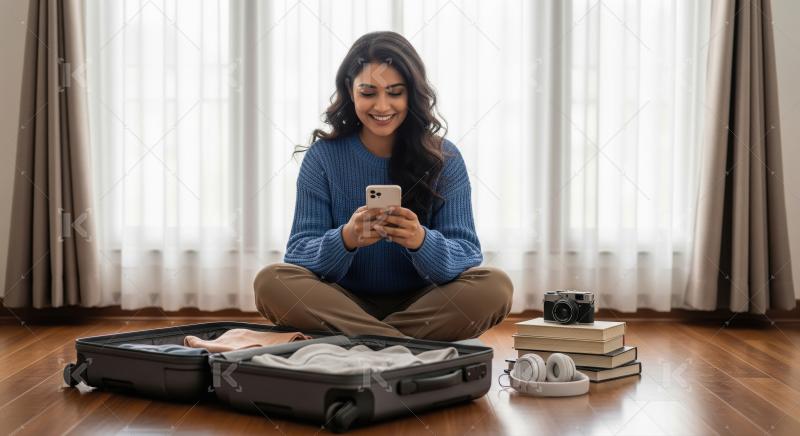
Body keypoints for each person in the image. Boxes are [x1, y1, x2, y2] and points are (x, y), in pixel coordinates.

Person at [254, 31, 512, 341]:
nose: (382, 105)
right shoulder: (323, 157)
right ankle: (402, 344)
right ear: (350, 92)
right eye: (368, 92)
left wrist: (420, 240)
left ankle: (362, 341)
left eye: (394, 92)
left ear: (411, 94)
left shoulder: (445, 157)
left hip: (423, 304)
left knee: (495, 286)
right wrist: (347, 237)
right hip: (343, 303)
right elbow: (298, 254)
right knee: (270, 282)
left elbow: (467, 255)